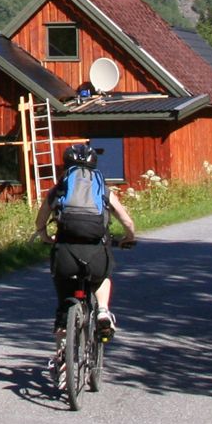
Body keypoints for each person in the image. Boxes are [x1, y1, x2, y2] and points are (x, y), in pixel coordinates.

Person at [33, 143, 138, 337]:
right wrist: (129, 238)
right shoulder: (103, 190)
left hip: (65, 253)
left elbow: (40, 222)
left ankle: (63, 334)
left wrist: (46, 237)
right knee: (102, 277)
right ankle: (103, 311)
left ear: (66, 165)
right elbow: (127, 221)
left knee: (63, 288)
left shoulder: (58, 190)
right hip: (96, 252)